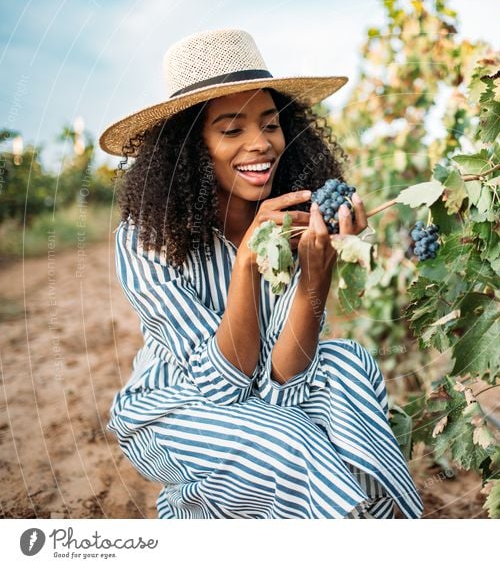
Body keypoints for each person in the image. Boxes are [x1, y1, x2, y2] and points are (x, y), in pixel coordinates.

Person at [99, 28, 423, 519]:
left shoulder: (294, 223)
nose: (261, 144)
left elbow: (283, 382)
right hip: (173, 410)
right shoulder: (147, 238)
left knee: (349, 366)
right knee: (292, 442)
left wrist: (316, 277)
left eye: (270, 125)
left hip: (266, 393)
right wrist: (247, 264)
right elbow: (224, 387)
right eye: (232, 130)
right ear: (190, 148)